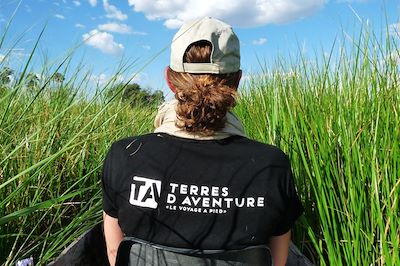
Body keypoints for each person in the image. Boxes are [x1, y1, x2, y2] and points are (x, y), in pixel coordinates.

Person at [102, 17, 304, 266]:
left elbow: (115, 255)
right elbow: (278, 261)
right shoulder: (272, 165)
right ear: (237, 80)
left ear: (169, 79)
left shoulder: (124, 155)